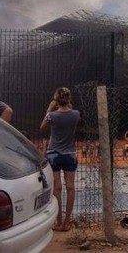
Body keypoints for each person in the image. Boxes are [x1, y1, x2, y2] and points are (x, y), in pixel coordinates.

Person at [40, 87, 80, 232]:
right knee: (70, 187)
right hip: (70, 153)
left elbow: (42, 127)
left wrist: (49, 109)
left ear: (56, 100)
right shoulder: (76, 114)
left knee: (57, 187)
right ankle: (67, 223)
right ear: (69, 99)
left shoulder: (52, 116)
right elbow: (72, 124)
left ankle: (59, 221)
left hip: (54, 154)